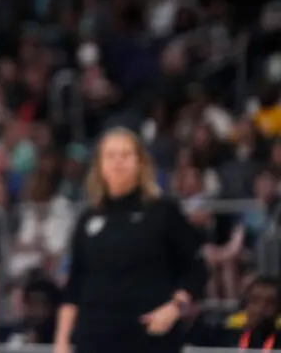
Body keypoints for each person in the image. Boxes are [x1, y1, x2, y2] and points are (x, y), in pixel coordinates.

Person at [54, 127, 207, 353]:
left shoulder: (163, 212)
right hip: (94, 337)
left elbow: (196, 269)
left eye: (126, 155)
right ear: (100, 165)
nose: (118, 162)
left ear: (140, 162)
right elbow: (75, 282)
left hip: (149, 337)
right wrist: (62, 340)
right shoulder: (88, 219)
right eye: (111, 155)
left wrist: (176, 307)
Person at [221, 276, 281, 350]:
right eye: (255, 301)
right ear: (246, 305)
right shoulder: (227, 339)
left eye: (269, 303)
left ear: (278, 308)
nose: (261, 308)